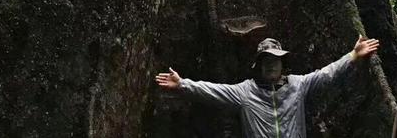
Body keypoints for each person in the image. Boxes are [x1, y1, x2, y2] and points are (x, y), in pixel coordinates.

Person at [155, 34, 379, 137]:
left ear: (283, 64)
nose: (271, 66)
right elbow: (213, 91)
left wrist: (353, 55)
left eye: (276, 61)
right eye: (266, 61)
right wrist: (182, 84)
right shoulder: (245, 92)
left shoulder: (298, 86)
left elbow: (327, 74)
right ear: (258, 65)